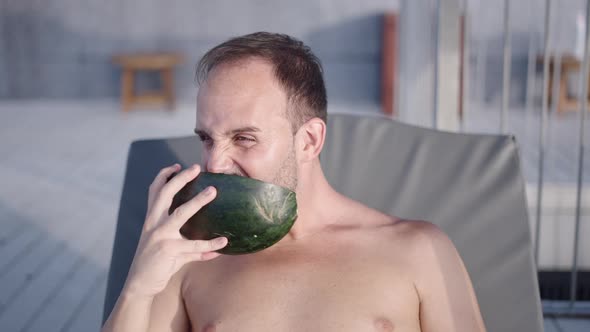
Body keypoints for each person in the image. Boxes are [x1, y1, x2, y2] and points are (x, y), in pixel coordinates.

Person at [102, 32, 486, 332]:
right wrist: (139, 285)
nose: (214, 163)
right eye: (206, 138)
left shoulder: (417, 249)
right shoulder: (188, 257)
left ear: (309, 141)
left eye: (244, 138)